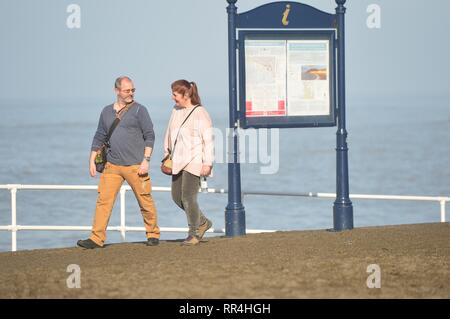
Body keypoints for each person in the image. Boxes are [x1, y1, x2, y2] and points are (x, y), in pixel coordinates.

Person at [77, 76, 160, 249]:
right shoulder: (106, 111)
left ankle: (153, 234)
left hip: (136, 165)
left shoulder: (139, 110)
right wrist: (91, 160)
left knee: (145, 200)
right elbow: (99, 135)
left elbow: (150, 136)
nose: (131, 93)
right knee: (103, 201)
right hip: (112, 166)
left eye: (133, 90)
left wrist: (146, 160)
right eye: (127, 90)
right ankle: (96, 238)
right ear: (117, 91)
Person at [163, 80, 214, 245]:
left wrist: (207, 163)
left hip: (194, 161)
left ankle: (194, 234)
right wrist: (166, 153)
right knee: (176, 197)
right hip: (177, 160)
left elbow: (209, 140)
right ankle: (203, 222)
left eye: (175, 94)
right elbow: (169, 133)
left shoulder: (200, 113)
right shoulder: (175, 110)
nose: (172, 98)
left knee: (188, 198)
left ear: (185, 95)